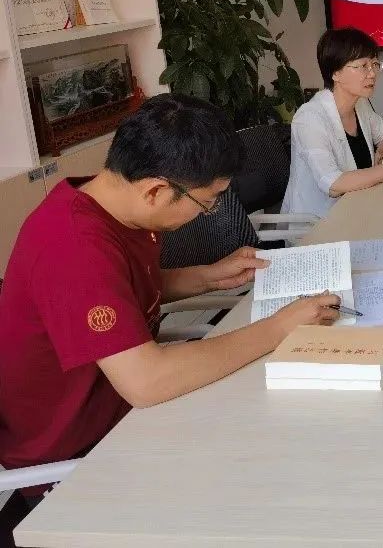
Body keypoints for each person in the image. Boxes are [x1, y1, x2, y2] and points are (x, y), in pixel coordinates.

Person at [0, 95, 339, 538]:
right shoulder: (72, 246)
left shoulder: (110, 205)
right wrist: (279, 327)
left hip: (127, 412)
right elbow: (147, 381)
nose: (210, 213)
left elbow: (121, 284)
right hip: (79, 456)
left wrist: (205, 277)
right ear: (156, 191)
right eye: (208, 202)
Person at [283, 28, 383, 218]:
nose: (372, 73)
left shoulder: (359, 103)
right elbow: (333, 184)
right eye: (363, 66)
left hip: (361, 206)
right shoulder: (309, 118)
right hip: (320, 222)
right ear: (335, 73)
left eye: (374, 64)